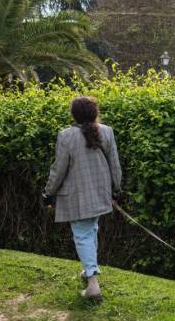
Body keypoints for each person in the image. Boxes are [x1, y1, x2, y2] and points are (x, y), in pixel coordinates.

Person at [42, 96, 122, 302]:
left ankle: (93, 283)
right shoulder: (107, 131)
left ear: (74, 115)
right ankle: (89, 272)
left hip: (77, 196)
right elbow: (115, 165)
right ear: (95, 113)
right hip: (100, 192)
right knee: (91, 230)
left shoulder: (66, 136)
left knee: (83, 234)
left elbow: (58, 170)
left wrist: (48, 193)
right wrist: (116, 190)